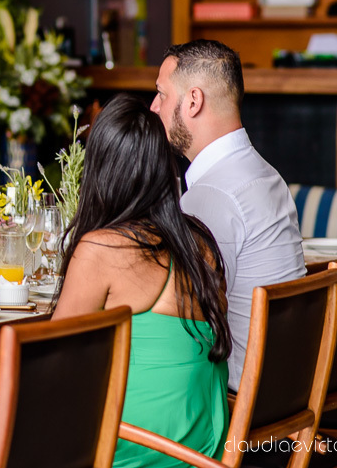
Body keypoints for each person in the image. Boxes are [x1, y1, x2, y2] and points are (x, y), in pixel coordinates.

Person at [53, 95, 231, 468]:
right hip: (202, 442)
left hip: (139, 446)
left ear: (100, 168)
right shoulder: (199, 241)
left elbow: (54, 362)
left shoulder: (102, 247)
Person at [150, 39, 305, 389]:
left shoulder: (211, 194)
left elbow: (182, 320)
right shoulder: (265, 173)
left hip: (240, 400)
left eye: (162, 93)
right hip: (286, 388)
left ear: (193, 101)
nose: (154, 105)